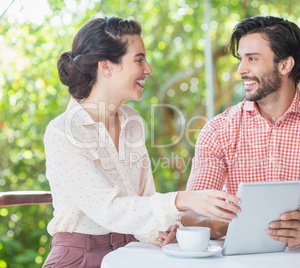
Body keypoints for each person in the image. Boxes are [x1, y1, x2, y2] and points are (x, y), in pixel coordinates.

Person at [43, 17, 240, 267]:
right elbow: (108, 209)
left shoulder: (131, 120)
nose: (148, 69)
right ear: (106, 67)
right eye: (139, 59)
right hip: (79, 257)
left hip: (131, 252)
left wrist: (162, 230)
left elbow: (143, 197)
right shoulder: (62, 132)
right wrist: (183, 199)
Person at [183, 16, 300, 248]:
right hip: (238, 258)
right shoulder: (217, 130)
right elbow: (190, 213)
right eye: (241, 60)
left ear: (285, 65)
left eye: (252, 59)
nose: (241, 70)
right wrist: (225, 223)